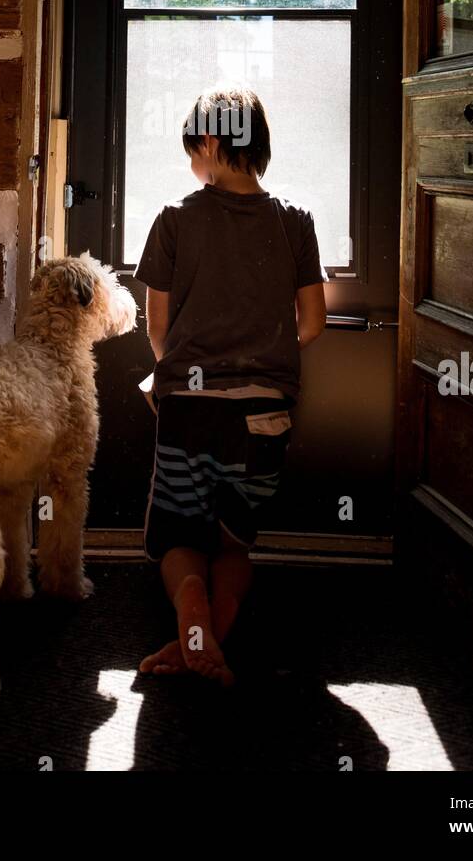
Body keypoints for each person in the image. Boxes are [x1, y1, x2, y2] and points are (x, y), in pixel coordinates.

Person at [135, 86, 327, 685]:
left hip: (189, 411)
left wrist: (175, 376)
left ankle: (190, 613)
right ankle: (214, 630)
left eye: (194, 151)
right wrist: (265, 362)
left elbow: (157, 324)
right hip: (263, 418)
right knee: (232, 543)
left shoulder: (173, 219)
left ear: (213, 144)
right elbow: (313, 322)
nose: (192, 165)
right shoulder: (296, 221)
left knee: (178, 536)